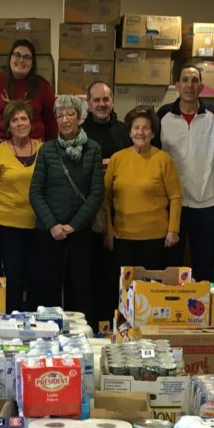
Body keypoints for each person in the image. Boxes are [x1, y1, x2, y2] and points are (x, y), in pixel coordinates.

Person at [29, 94, 104, 322]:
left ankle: (82, 334)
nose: (65, 119)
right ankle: (48, 333)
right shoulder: (47, 150)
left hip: (80, 231)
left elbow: (96, 193)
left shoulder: (93, 149)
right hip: (49, 231)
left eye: (70, 114)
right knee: (49, 285)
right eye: (59, 115)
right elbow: (35, 192)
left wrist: (73, 225)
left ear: (80, 118)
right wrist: (52, 225)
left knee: (80, 285)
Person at [156, 65, 214, 283]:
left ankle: (201, 312)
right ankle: (171, 312)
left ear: (201, 86)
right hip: (173, 204)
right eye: (185, 80)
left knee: (204, 266)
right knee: (172, 266)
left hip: (206, 203)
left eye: (194, 80)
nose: (189, 85)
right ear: (176, 85)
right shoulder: (163, 115)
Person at [103, 105, 182, 273]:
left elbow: (175, 196)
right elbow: (106, 196)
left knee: (149, 292)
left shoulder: (163, 159)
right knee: (122, 292)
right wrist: (108, 229)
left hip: (155, 239)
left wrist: (173, 230)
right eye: (136, 128)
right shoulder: (117, 158)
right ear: (130, 132)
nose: (140, 132)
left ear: (153, 133)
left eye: (146, 128)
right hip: (121, 238)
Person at [0, 100, 41, 311]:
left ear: (31, 123)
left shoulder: (44, 149)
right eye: (14, 120)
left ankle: (35, 321)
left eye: (24, 118)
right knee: (13, 278)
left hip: (39, 225)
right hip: (8, 225)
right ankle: (13, 319)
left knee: (36, 276)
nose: (20, 123)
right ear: (8, 126)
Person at [82, 80, 131, 321]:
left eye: (106, 99)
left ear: (112, 101)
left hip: (121, 210)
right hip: (88, 212)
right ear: (88, 104)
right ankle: (92, 322)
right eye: (96, 100)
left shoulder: (125, 131)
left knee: (116, 272)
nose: (102, 104)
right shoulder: (80, 133)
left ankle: (117, 322)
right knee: (90, 272)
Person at [0, 39, 57, 141]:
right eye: (17, 55)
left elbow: (51, 124)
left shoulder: (43, 87)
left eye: (27, 57)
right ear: (10, 58)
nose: (21, 60)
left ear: (33, 63)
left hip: (35, 147)